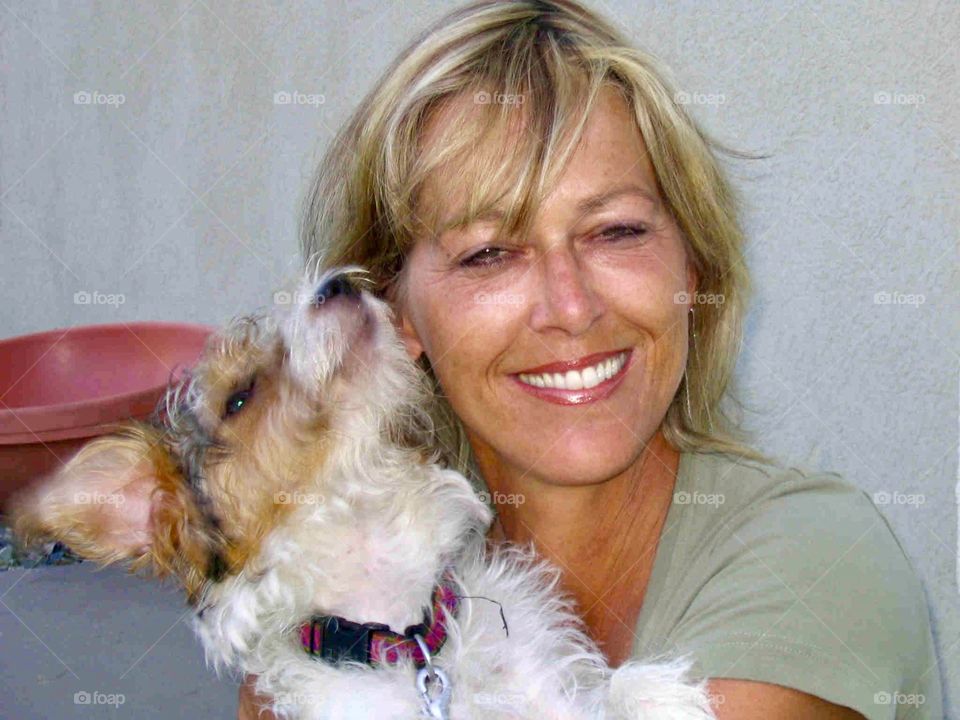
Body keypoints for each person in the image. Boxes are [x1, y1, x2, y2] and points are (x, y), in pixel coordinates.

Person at [239, 1, 942, 717]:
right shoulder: (366, 610)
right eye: (489, 253)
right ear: (391, 318)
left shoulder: (817, 562)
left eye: (616, 232)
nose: (571, 307)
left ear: (691, 268)